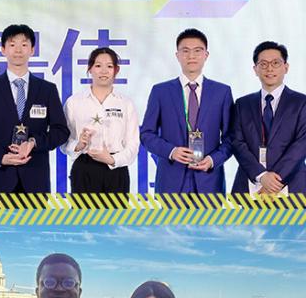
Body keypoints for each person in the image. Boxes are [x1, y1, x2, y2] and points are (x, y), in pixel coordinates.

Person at [0, 24, 70, 193]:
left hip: (35, 180)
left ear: (32, 50)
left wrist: (33, 142)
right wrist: (1, 157)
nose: (18, 50)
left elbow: (60, 131)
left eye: (24, 45)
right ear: (3, 50)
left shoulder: (47, 89)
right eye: (12, 44)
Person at [140, 28, 233, 194]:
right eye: (185, 51)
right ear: (177, 56)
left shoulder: (222, 92)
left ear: (206, 55)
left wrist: (212, 160)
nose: (191, 56)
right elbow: (147, 134)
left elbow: (231, 137)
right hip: (171, 181)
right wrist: (171, 151)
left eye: (198, 51)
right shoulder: (161, 91)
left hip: (209, 181)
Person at [231, 41, 306, 195]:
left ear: (286, 67)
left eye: (276, 63)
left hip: (292, 186)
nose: (269, 68)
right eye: (263, 64)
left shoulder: (301, 103)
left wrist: (273, 181)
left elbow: (301, 144)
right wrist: (261, 176)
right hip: (249, 185)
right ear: (255, 69)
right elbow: (237, 143)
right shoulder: (242, 104)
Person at [61, 47, 139, 193]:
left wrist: (111, 159)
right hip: (84, 168)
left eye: (109, 66)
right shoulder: (74, 102)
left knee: (116, 216)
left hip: (116, 169)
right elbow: (64, 142)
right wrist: (79, 144)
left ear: (116, 70)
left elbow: (133, 144)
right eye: (98, 66)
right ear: (90, 69)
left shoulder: (126, 103)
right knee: (83, 216)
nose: (103, 71)